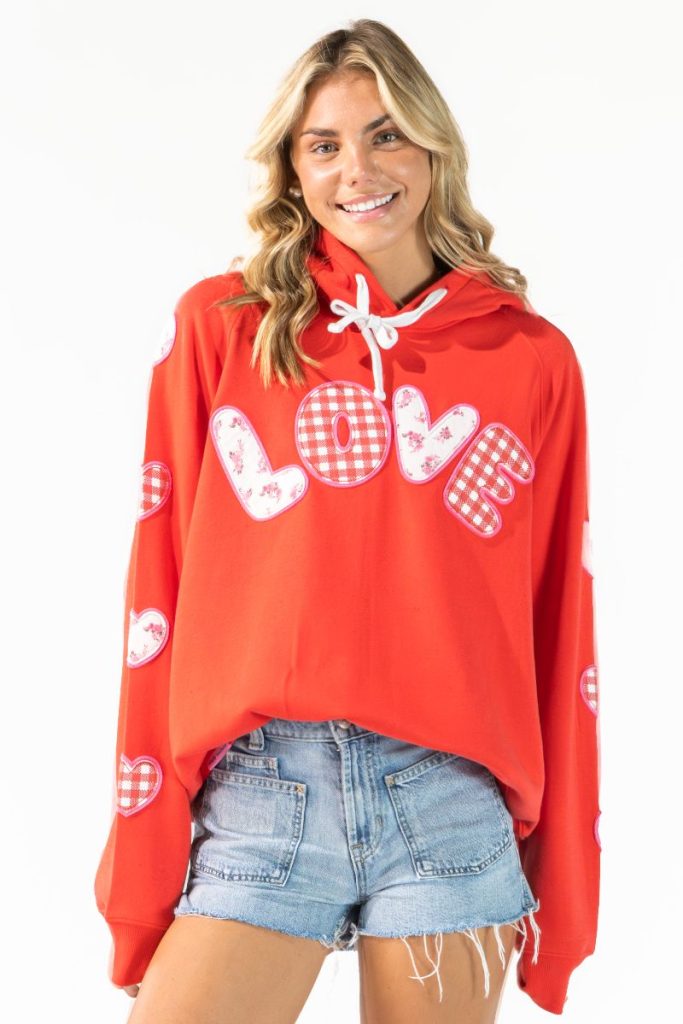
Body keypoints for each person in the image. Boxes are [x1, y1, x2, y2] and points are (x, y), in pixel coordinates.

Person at [93, 18, 602, 1022]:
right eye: (322, 144)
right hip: (263, 795)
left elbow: (559, 617)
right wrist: (142, 862)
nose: (356, 171)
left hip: (448, 802)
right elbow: (160, 585)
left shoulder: (528, 358)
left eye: (385, 135)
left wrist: (567, 879)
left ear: (432, 147)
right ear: (292, 167)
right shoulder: (224, 330)